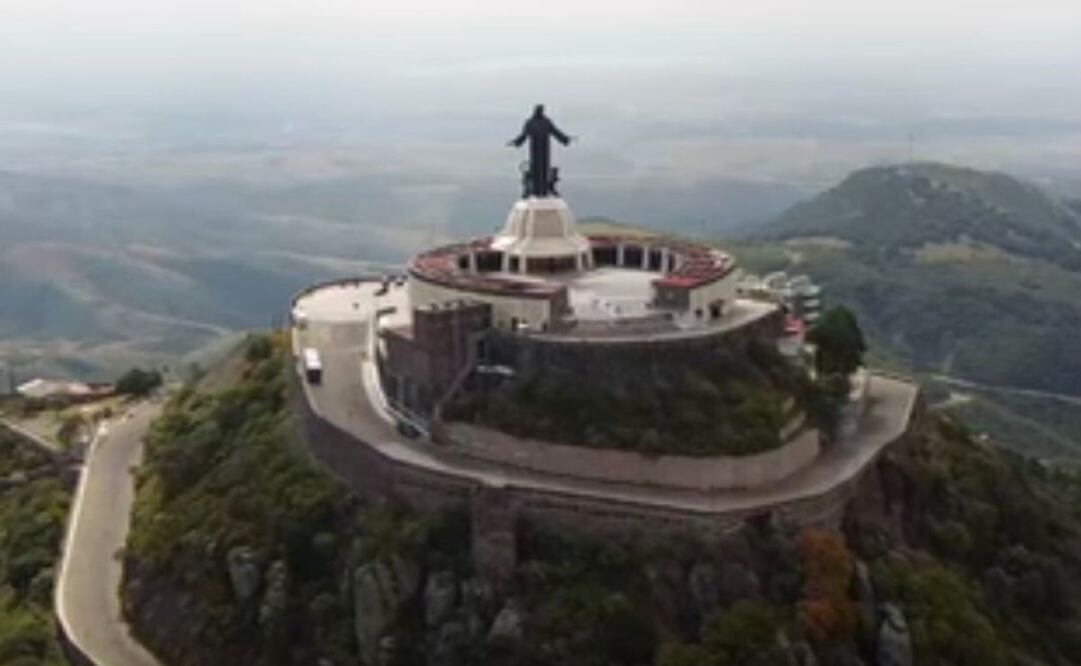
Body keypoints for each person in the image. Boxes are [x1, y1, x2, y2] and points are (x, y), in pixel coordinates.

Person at [508, 104, 573, 197]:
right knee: (536, 168)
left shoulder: (545, 122)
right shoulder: (531, 122)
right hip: (535, 149)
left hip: (544, 148)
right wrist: (515, 142)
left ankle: (544, 190)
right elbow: (523, 136)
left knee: (544, 168)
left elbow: (556, 132)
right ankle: (536, 190)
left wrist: (565, 139)